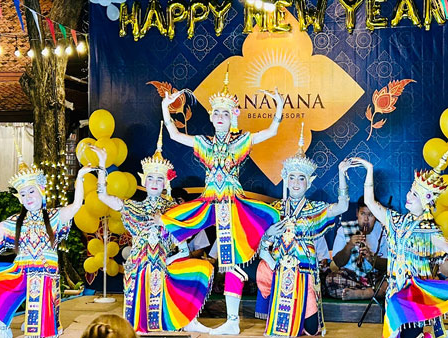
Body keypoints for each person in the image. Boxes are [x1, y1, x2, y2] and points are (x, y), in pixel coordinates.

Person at [159, 65, 283, 335]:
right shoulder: (204, 142)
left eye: (225, 113)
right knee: (171, 228)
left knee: (231, 262)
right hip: (207, 202)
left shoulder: (240, 142)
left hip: (230, 205)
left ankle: (232, 321)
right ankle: (186, 306)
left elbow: (271, 132)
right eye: (216, 112)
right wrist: (165, 110)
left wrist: (279, 108)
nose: (219, 116)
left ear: (233, 117)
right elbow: (174, 135)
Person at [90, 123, 213, 334]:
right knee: (137, 326)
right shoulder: (132, 206)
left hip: (162, 266)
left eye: (159, 179)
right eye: (151, 178)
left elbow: (183, 249)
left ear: (165, 182)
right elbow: (102, 196)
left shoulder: (172, 210)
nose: (155, 182)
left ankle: (187, 318)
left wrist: (167, 253)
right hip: (138, 267)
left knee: (202, 269)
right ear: (144, 181)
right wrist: (102, 165)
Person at [255, 124, 356, 337]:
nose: (296, 182)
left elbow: (342, 207)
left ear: (309, 182)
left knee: (310, 327)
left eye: (301, 178)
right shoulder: (274, 210)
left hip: (305, 270)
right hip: (281, 270)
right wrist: (268, 236)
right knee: (283, 326)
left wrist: (340, 174)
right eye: (292, 177)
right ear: (286, 179)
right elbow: (259, 242)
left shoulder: (314, 208)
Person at [0, 152, 93, 337]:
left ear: (41, 190)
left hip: (45, 274)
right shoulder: (16, 220)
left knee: (42, 327)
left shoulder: (54, 216)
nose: (28, 197)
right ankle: (2, 325)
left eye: (31, 191)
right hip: (21, 271)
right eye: (23, 194)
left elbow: (75, 206)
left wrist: (80, 178)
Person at [353, 155, 448, 338]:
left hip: (416, 298)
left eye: (414, 194)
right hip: (395, 292)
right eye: (410, 191)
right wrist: (369, 170)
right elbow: (371, 203)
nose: (408, 196)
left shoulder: (431, 232)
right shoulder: (396, 221)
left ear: (426, 200)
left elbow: (444, 258)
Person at [326, 196, 388, 300]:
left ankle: (363, 294)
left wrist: (372, 259)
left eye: (370, 215)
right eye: (362, 214)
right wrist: (349, 246)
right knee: (331, 280)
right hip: (351, 276)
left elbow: (387, 265)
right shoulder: (344, 229)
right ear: (357, 213)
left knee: (391, 282)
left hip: (374, 277)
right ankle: (374, 292)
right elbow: (338, 262)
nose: (366, 219)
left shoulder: (384, 232)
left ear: (376, 215)